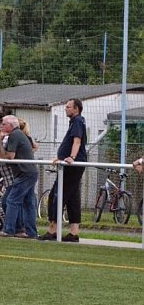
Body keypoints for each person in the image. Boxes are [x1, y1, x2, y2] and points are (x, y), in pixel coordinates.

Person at [42, 99, 87, 243]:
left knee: (57, 194)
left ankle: (53, 230)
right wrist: (60, 157)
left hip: (72, 166)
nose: (65, 109)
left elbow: (77, 141)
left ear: (76, 109)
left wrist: (71, 157)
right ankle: (74, 233)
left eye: (68, 107)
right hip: (71, 164)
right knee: (72, 198)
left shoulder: (78, 121)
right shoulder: (75, 122)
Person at [0, 114, 38, 239]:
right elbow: (4, 156)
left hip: (25, 173)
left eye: (3, 124)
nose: (1, 126)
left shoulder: (14, 135)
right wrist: (0, 142)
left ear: (10, 125)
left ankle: (9, 230)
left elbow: (9, 157)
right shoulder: (17, 134)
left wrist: (2, 146)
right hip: (28, 173)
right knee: (28, 202)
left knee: (11, 200)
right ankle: (30, 232)